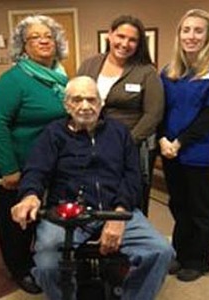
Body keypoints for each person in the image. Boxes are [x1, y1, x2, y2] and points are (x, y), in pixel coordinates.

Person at [11, 76, 174, 300]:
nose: (85, 106)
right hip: (67, 213)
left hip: (116, 208)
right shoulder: (53, 134)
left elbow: (132, 176)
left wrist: (118, 215)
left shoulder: (119, 133)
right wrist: (30, 195)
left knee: (161, 251)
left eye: (91, 99)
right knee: (47, 265)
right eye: (77, 100)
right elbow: (36, 170)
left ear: (101, 102)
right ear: (66, 105)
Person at [0, 15, 69, 293]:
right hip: (16, 161)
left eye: (48, 35)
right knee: (17, 220)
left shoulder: (59, 76)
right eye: (35, 37)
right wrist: (8, 168)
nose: (44, 40)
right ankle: (19, 268)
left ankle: (38, 256)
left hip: (46, 162)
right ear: (23, 46)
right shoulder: (14, 79)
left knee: (39, 213)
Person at [159, 9, 209, 282]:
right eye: (186, 30)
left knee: (200, 209)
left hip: (200, 153)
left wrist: (179, 142)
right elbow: (160, 109)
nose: (191, 36)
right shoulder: (169, 71)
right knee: (178, 205)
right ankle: (181, 253)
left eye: (198, 30)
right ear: (179, 35)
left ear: (208, 35)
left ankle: (200, 260)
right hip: (171, 152)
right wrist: (163, 140)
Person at [77, 15, 164, 216]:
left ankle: (131, 238)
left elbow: (154, 114)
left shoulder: (146, 72)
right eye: (120, 36)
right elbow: (76, 96)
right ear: (110, 35)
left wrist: (127, 141)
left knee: (129, 196)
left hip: (130, 144)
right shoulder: (90, 64)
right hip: (90, 139)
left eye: (132, 40)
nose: (125, 44)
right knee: (94, 190)